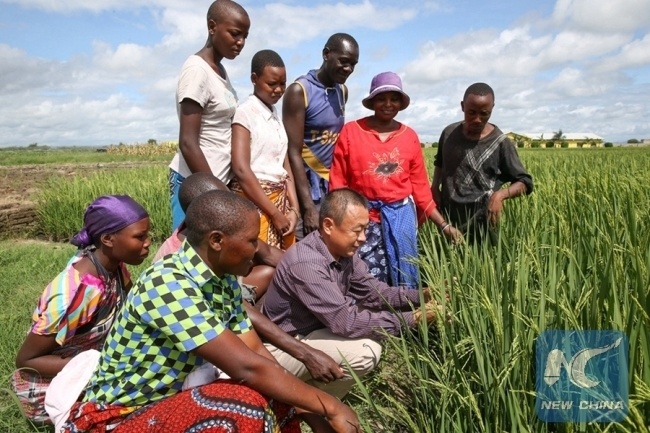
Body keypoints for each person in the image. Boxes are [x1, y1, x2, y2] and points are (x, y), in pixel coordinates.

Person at [62, 190, 360, 433]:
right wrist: (331, 406)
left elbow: (259, 356)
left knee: (276, 391)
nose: (257, 249)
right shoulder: (167, 284)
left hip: (166, 402)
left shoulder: (222, 279)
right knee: (244, 405)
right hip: (116, 419)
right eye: (250, 240)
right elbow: (246, 368)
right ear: (217, 241)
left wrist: (315, 418)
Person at [262, 188, 443, 399]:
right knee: (366, 352)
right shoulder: (307, 264)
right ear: (329, 226)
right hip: (282, 346)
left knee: (371, 330)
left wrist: (423, 295)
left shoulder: (341, 252)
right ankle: (311, 403)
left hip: (311, 332)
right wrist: (414, 319)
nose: (363, 238)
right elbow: (345, 322)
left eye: (365, 229)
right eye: (357, 230)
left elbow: (376, 292)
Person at [13, 195, 151, 426]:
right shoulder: (76, 293)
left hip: (92, 363)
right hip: (49, 390)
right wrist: (105, 365)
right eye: (140, 236)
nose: (148, 242)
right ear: (108, 239)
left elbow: (134, 309)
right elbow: (27, 360)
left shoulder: (114, 266)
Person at [330, 72, 462, 287]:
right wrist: (339, 221)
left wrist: (444, 225)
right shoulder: (351, 132)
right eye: (381, 98)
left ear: (401, 103)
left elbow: (420, 189)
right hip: (362, 220)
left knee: (404, 276)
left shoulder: (409, 136)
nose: (388, 104)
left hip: (401, 220)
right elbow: (338, 182)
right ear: (372, 101)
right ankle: (366, 320)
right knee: (363, 280)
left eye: (394, 99)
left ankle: (404, 319)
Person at [168, 0, 250, 231]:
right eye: (235, 34)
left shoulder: (219, 70)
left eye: (245, 36)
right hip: (194, 184)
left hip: (216, 183)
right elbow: (188, 143)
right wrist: (216, 196)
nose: (240, 42)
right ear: (212, 27)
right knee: (188, 257)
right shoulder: (197, 70)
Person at [430, 82, 534, 243]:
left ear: (492, 109)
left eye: (484, 113)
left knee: (480, 265)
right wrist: (435, 187)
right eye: (471, 112)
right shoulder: (449, 133)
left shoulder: (500, 143)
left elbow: (525, 182)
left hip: (482, 222)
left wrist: (500, 196)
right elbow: (440, 162)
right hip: (448, 218)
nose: (477, 119)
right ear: (462, 106)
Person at [284, 33, 359, 237]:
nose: (349, 69)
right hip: (305, 186)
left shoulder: (342, 91)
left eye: (353, 64)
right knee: (307, 246)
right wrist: (307, 207)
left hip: (331, 184)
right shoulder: (300, 91)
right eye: (344, 62)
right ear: (326, 54)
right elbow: (293, 152)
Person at [231, 49, 299, 250]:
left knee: (284, 266)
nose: (278, 90)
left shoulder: (275, 116)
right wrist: (275, 214)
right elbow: (241, 169)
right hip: (255, 203)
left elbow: (284, 166)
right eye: (272, 84)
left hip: (280, 201)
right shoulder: (245, 114)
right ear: (254, 78)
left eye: (283, 84)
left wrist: (294, 209)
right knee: (259, 264)